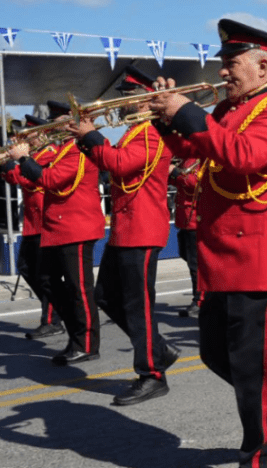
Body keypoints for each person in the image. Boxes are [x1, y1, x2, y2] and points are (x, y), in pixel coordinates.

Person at [148, 18, 267, 467]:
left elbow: (245, 156)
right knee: (217, 354)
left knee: (253, 370)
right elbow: (197, 150)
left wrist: (187, 110)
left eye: (232, 63)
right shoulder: (231, 110)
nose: (224, 72)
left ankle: (261, 457)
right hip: (228, 253)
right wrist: (168, 119)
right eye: (226, 63)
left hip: (260, 254)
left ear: (264, 66)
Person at [67, 65, 179, 406]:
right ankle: (157, 350)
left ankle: (152, 372)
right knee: (108, 296)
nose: (123, 105)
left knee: (137, 304)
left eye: (129, 99)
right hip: (128, 227)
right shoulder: (134, 133)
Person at [9, 101, 104, 365]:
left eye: (59, 121)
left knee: (79, 289)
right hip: (58, 226)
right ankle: (73, 331)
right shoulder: (63, 149)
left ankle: (86, 344)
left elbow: (49, 180)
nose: (54, 126)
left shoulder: (79, 149)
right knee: (47, 279)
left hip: (77, 226)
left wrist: (23, 159)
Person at [1, 115, 64, 339]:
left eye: (29, 135)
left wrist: (13, 161)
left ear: (43, 134)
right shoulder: (33, 156)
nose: (25, 139)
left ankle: (52, 319)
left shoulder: (50, 155)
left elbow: (27, 180)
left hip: (45, 222)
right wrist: (5, 162)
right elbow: (13, 178)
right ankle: (57, 307)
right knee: (27, 268)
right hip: (32, 222)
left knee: (45, 274)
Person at [169, 156, 201, 317]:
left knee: (196, 265)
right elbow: (178, 182)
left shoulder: (202, 159)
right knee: (186, 256)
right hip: (184, 219)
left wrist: (174, 172)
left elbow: (196, 184)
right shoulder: (186, 159)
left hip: (196, 220)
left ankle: (200, 300)